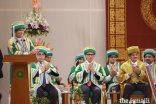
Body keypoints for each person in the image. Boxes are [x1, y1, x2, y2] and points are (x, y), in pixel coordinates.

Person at [7, 21, 39, 91]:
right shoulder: (11, 41)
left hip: (27, 66)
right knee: (18, 89)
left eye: (22, 30)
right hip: (16, 66)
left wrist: (35, 52)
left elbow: (32, 49)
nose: (21, 32)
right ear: (15, 31)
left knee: (27, 89)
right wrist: (29, 53)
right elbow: (13, 53)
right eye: (19, 30)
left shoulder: (27, 40)